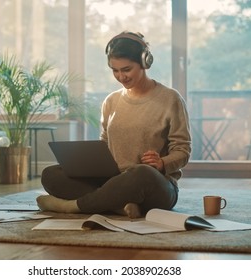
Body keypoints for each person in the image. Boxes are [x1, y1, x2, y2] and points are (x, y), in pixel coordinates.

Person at [37, 31, 191, 218]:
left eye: (126, 69)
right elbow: (105, 144)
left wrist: (162, 163)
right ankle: (118, 206)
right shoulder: (111, 101)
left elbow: (182, 150)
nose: (121, 76)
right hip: (112, 181)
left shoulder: (170, 98)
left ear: (145, 62)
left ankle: (74, 206)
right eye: (115, 70)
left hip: (154, 185)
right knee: (51, 175)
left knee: (141, 173)